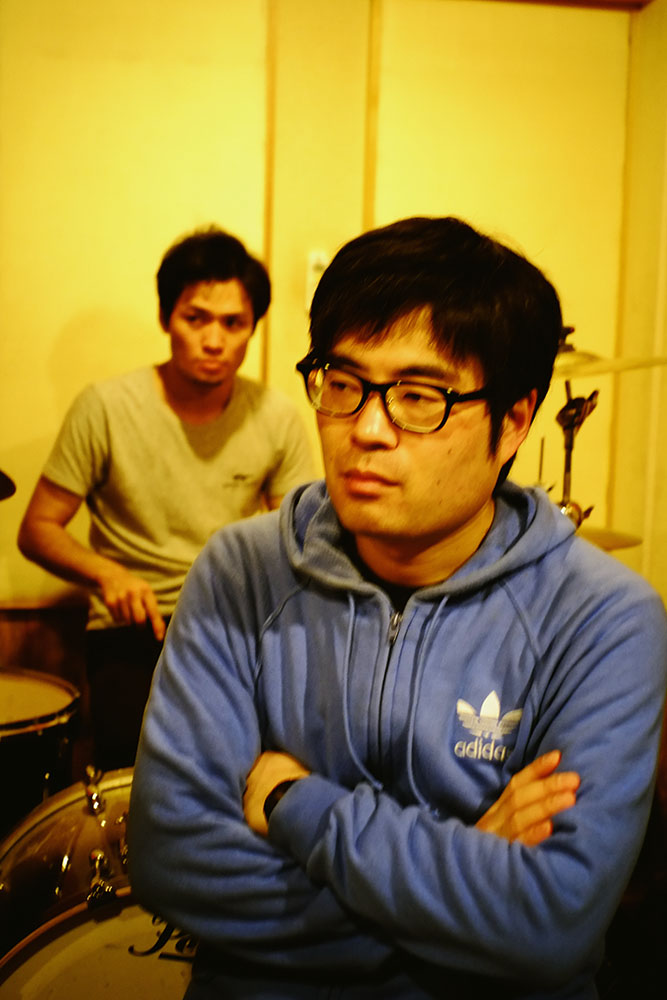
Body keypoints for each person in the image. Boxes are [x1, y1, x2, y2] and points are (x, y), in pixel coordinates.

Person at [128, 217, 667, 999]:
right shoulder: (241, 571)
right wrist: (465, 895)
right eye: (342, 384)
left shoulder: (603, 616)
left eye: (419, 398)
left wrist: (293, 802)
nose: (366, 429)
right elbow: (173, 861)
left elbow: (551, 922)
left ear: (514, 420)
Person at [17, 226, 314, 771]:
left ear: (253, 329)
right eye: (196, 318)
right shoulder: (105, 407)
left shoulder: (275, 417)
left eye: (233, 323)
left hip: (232, 625)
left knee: (261, 768)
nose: (214, 340)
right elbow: (37, 528)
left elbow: (298, 538)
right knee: (137, 775)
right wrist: (108, 575)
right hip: (133, 627)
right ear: (165, 318)